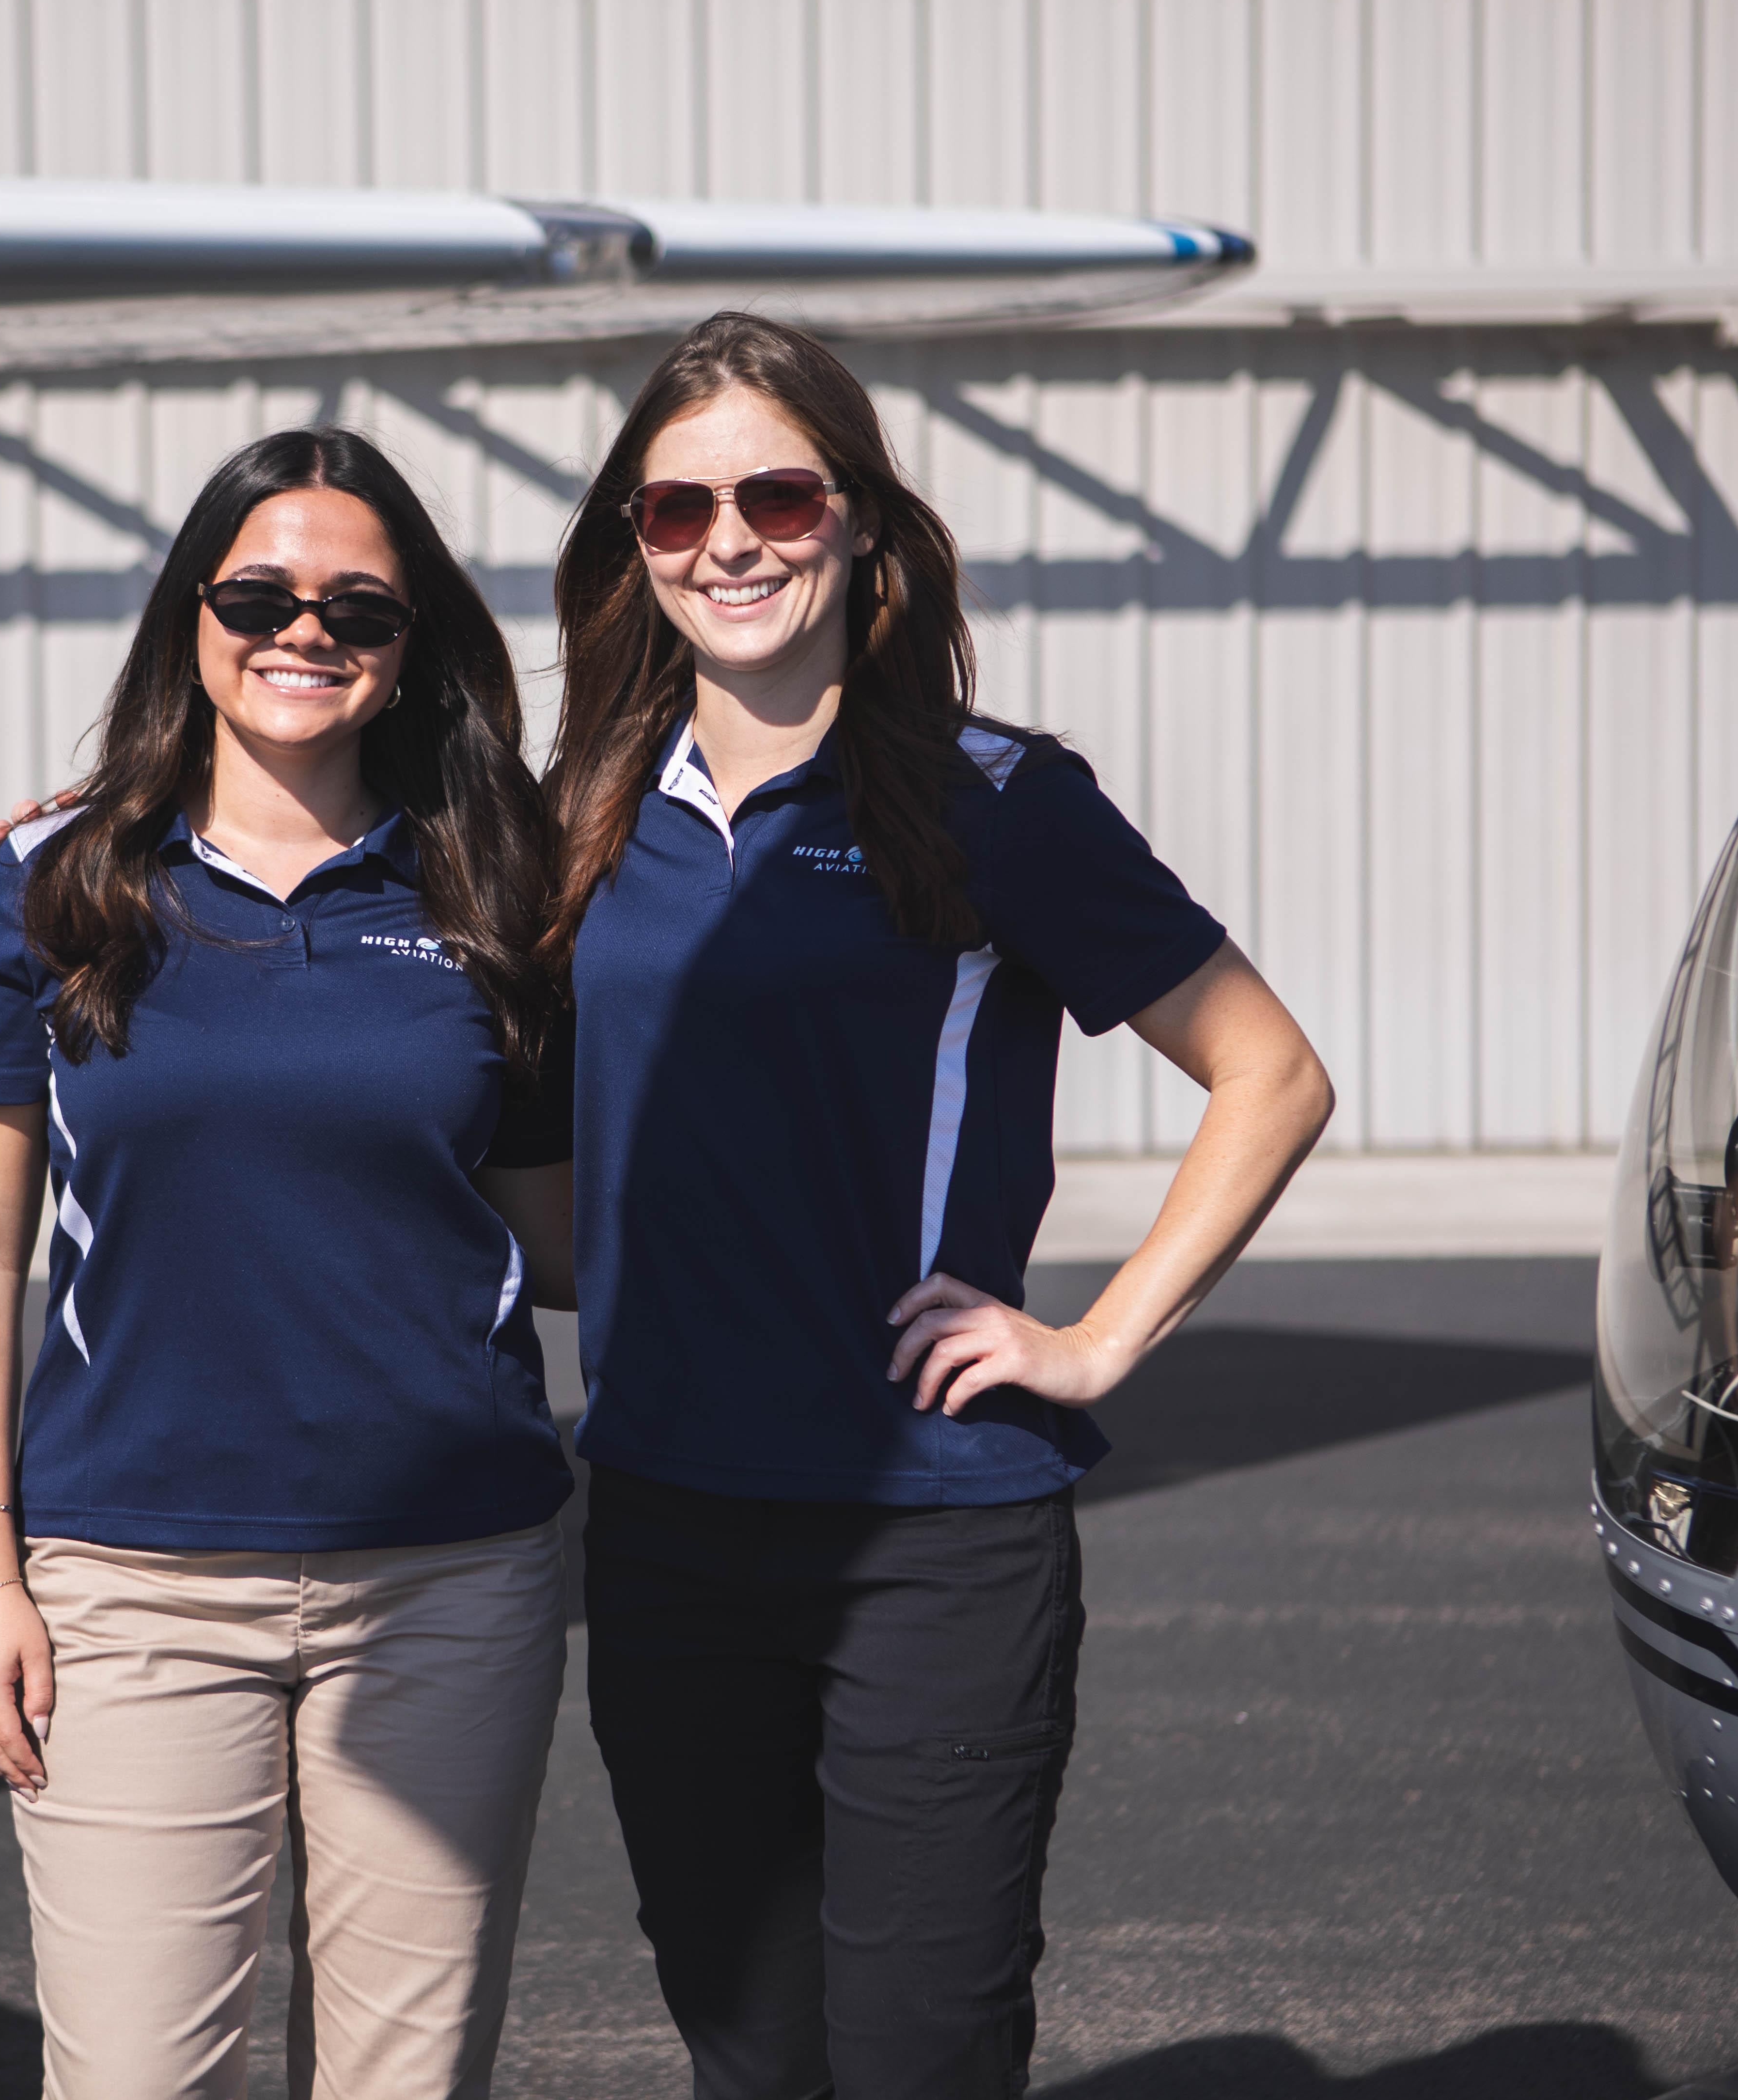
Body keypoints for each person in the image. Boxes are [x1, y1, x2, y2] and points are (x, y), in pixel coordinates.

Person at [544, 312, 1335, 2098]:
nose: (727, 540)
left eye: (776, 493)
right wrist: (107, 819)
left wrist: (1094, 1340)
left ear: (860, 524)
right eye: (674, 511)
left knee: (921, 2053)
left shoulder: (997, 803)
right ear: (632, 550)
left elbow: (1269, 1073)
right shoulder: (584, 810)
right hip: (664, 1523)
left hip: (926, 1533)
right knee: (748, 2054)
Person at [0, 427, 577, 2100]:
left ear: (414, 650)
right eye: (259, 594)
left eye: (360, 608)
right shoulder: (54, 883)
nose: (305, 632)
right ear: (190, 619)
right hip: (130, 1583)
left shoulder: (498, 884)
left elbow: (566, 1242)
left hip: (451, 1581)